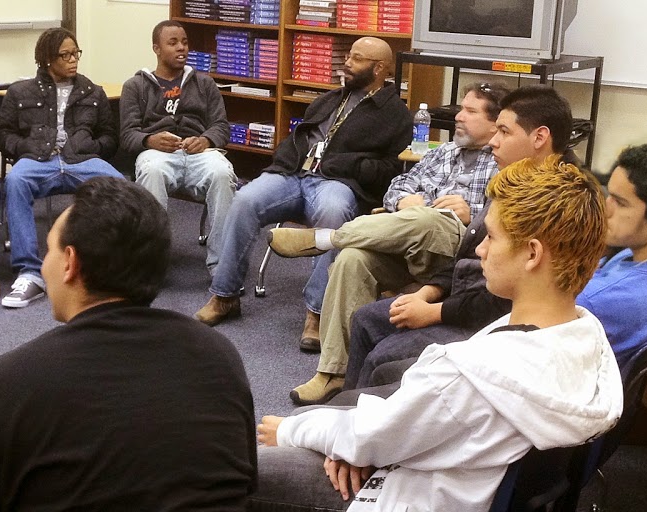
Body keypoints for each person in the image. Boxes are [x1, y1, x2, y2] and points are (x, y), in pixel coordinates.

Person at [251, 157, 620, 511]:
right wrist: (362, 445)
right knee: (334, 418)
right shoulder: (586, 335)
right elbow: (387, 433)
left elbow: (371, 439)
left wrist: (290, 431)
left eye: (491, 237)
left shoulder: (467, 376)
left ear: (532, 254)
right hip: (450, 471)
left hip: (408, 494)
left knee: (234, 466)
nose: (480, 248)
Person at [0, 177, 256, 509]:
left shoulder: (7, 384)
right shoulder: (220, 357)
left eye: (49, 251)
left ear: (70, 263)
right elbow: (244, 484)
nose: (43, 266)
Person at [341, 142, 647, 397]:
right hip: (524, 345)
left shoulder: (616, 300)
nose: (604, 209)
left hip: (518, 364)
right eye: (608, 195)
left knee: (386, 363)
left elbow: (524, 326)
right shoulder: (644, 263)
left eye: (620, 203)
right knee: (371, 322)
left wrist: (440, 309)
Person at [310, 85, 573, 403]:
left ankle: (360, 432)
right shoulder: (514, 178)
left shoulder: (552, 200)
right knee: (366, 317)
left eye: (503, 131)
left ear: (539, 138)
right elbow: (468, 254)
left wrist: (434, 312)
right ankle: (343, 412)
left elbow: (503, 302)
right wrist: (428, 292)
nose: (494, 141)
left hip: (488, 321)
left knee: (383, 359)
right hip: (454, 289)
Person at [263, 81, 507, 404]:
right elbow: (397, 185)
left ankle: (328, 237)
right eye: (460, 108)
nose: (459, 116)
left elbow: (500, 224)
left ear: (495, 125)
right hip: (406, 245)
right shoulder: (444, 152)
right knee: (352, 259)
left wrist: (470, 212)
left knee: (431, 219)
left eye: (470, 111)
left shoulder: (502, 163)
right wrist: (403, 201)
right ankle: (333, 373)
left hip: (455, 253)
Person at [194, 37, 411, 337]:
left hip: (337, 183)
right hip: (293, 175)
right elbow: (300, 137)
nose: (347, 62)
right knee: (244, 199)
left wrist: (345, 165)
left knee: (334, 212)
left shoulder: (395, 114)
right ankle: (224, 295)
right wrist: (284, 159)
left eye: (357, 58)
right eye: (348, 55)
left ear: (378, 69)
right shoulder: (331, 98)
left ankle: (317, 313)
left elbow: (389, 171)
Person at [0, 27, 124, 309]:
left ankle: (108, 268)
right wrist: (23, 149)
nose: (73, 60)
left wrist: (94, 148)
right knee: (16, 181)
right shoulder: (20, 92)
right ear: (46, 59)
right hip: (39, 159)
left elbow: (109, 135)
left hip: (81, 159)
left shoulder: (93, 91)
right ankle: (30, 273)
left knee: (121, 187)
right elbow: (3, 134)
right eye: (64, 55)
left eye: (75, 53)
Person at [122, 20, 235, 269]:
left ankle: (222, 267)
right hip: (157, 153)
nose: (181, 48)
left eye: (184, 42)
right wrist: (149, 139)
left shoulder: (204, 84)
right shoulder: (136, 86)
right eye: (172, 43)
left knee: (223, 173)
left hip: (199, 152)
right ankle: (151, 263)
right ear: (156, 48)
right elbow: (127, 135)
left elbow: (221, 127)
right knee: (151, 172)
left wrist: (205, 139)